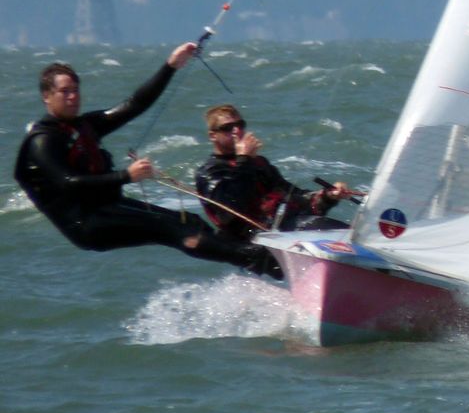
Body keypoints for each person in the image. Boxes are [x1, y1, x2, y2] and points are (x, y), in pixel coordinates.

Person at [14, 45, 280, 277]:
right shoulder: (43, 140)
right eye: (64, 92)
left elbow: (134, 104)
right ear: (47, 96)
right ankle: (264, 261)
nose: (73, 97)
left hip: (109, 207)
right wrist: (127, 176)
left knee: (190, 222)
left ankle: (247, 257)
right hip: (87, 223)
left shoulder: (84, 126)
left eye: (75, 90)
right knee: (175, 230)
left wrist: (171, 66)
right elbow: (68, 182)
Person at [194, 104, 355, 242]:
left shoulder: (258, 163)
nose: (237, 131)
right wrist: (244, 159)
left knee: (348, 233)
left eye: (240, 125)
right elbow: (229, 210)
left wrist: (328, 196)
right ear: (213, 136)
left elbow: (293, 196)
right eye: (227, 128)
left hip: (285, 228)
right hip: (254, 240)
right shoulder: (210, 172)